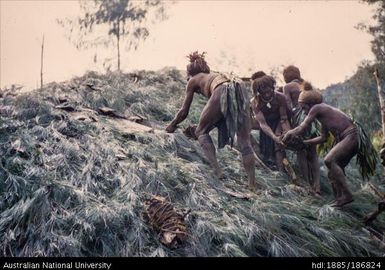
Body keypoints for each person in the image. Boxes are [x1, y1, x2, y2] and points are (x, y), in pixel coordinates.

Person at [166, 51, 264, 191]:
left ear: (191, 73)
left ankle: (217, 171)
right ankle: (252, 183)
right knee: (244, 141)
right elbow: (220, 115)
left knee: (201, 130)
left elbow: (184, 111)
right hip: (239, 90)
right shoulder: (217, 75)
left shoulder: (194, 80)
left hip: (223, 90)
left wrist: (172, 125)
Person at [282, 87, 377, 207]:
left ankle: (347, 195)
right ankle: (339, 199)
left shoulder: (318, 107)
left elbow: (302, 127)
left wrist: (289, 133)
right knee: (332, 172)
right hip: (349, 138)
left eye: (304, 108)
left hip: (351, 136)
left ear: (311, 104)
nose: (304, 112)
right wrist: (306, 142)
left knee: (329, 160)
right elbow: (323, 138)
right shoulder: (323, 115)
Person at [282, 66, 321, 195]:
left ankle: (306, 183)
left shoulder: (287, 87)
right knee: (313, 152)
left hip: (299, 119)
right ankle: (317, 184)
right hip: (312, 118)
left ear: (286, 77)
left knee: (301, 151)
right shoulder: (307, 85)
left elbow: (288, 105)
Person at [250, 75, 291, 172]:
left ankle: (281, 171)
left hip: (279, 122)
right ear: (259, 92)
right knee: (268, 146)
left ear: (273, 87)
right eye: (264, 93)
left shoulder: (280, 97)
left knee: (279, 143)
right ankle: (270, 167)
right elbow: (262, 124)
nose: (267, 95)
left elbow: (284, 118)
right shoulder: (255, 102)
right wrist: (273, 136)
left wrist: (287, 132)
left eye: (269, 91)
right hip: (265, 125)